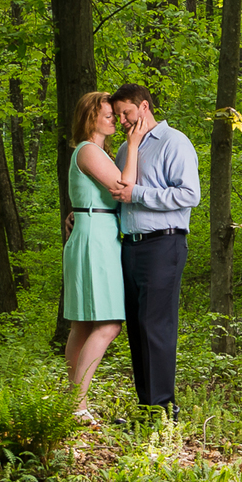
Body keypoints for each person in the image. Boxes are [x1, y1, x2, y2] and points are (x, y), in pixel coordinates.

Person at [108, 82, 200, 415]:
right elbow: (117, 195)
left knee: (155, 326)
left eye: (126, 113)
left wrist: (140, 195)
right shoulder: (124, 150)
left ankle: (163, 411)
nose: (122, 121)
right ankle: (147, 408)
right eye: (118, 115)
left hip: (164, 243)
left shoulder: (174, 142)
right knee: (137, 326)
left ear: (144, 107)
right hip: (130, 247)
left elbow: (190, 195)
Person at [60, 90, 130, 420]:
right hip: (95, 237)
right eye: (108, 114)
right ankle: (78, 405)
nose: (114, 118)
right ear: (91, 116)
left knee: (83, 325)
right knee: (108, 324)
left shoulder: (96, 152)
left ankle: (72, 403)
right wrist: (138, 142)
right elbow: (122, 189)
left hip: (95, 229)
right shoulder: (89, 150)